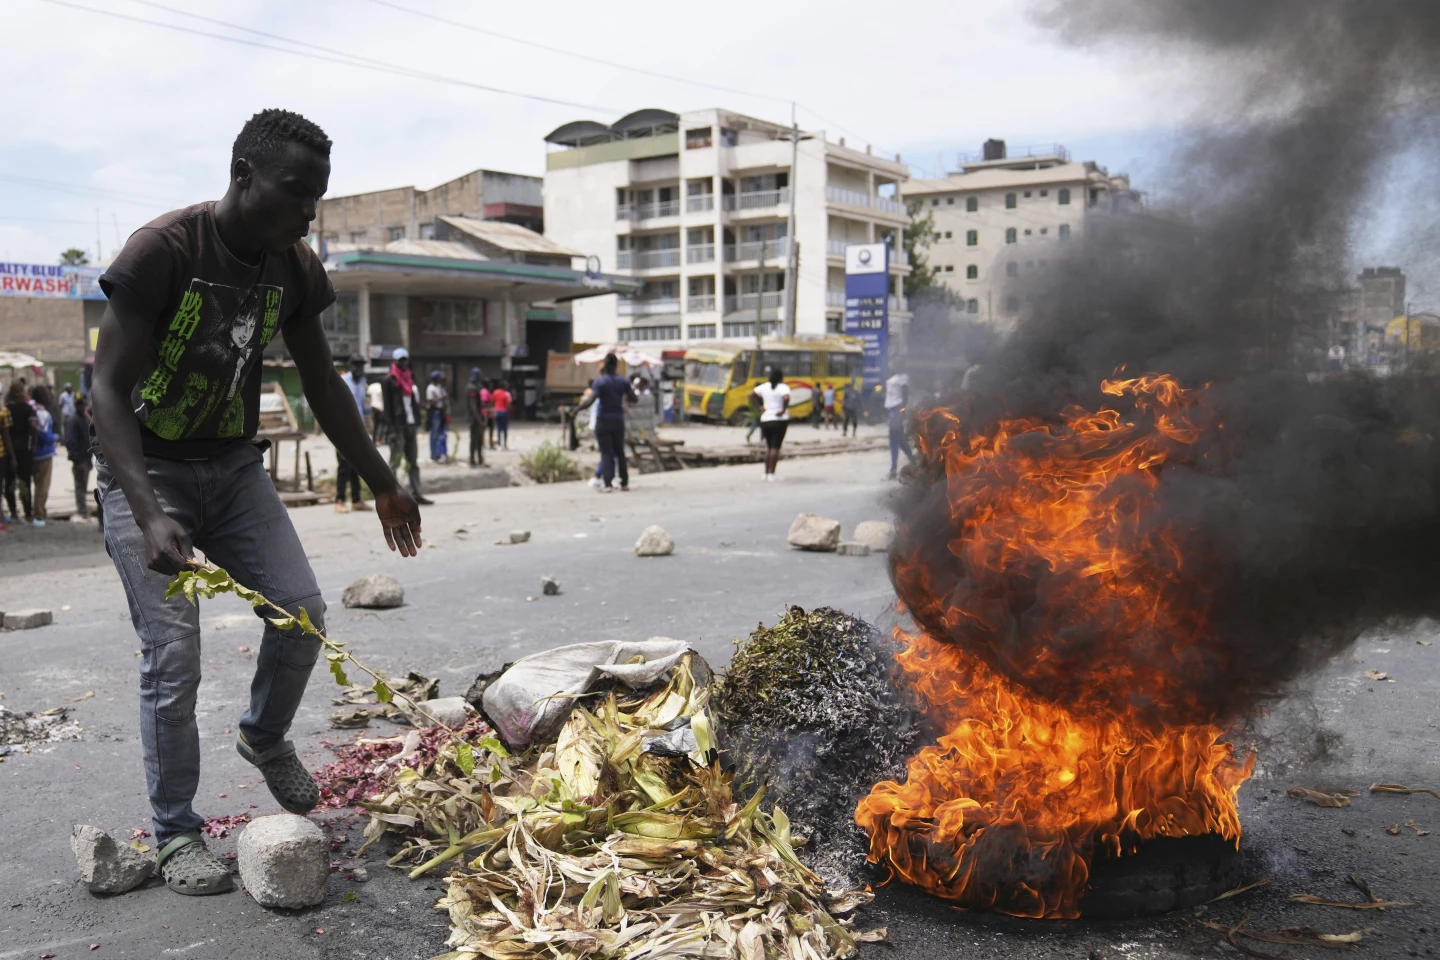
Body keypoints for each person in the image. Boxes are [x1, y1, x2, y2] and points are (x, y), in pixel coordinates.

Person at [89, 108, 423, 897]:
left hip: (233, 471)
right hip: (147, 473)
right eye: (297, 193)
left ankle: (264, 736)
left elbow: (321, 384)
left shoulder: (293, 267)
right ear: (244, 177)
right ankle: (176, 833)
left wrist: (381, 479)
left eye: (318, 197)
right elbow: (105, 389)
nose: (308, 212)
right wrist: (145, 510)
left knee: (302, 612)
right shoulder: (163, 251)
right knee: (173, 655)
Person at [576, 353, 635, 492]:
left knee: (606, 452)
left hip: (603, 420)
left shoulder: (600, 382)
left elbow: (590, 401)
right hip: (618, 419)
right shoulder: (623, 381)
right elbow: (634, 398)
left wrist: (576, 410)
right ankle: (624, 483)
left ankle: (607, 484)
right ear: (616, 365)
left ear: (605, 365)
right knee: (620, 452)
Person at [382, 347, 433, 505]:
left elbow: (412, 402)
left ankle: (416, 493)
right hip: (397, 426)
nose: (403, 363)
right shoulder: (389, 380)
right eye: (400, 360)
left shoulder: (410, 378)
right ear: (395, 361)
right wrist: (390, 429)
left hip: (410, 424)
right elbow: (387, 407)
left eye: (405, 360)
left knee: (413, 462)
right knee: (395, 461)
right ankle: (391, 496)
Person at [335, 357, 373, 513]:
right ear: (350, 366)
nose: (359, 369)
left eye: (361, 366)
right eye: (356, 365)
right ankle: (340, 500)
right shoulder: (342, 380)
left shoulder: (362, 383)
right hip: (343, 429)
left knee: (357, 466)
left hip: (359, 430)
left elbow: (364, 408)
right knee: (344, 466)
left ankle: (356, 500)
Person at [750, 366, 791, 481]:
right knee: (775, 448)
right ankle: (772, 474)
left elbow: (751, 395)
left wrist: (759, 408)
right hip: (779, 420)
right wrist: (783, 410)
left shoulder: (764, 387)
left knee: (769, 448)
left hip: (766, 419)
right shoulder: (783, 387)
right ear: (781, 377)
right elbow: (786, 398)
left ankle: (766, 473)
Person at [4, 382, 36, 523]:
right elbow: (34, 427)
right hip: (24, 450)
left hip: (8, 450)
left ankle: (13, 513)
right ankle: (28, 514)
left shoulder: (6, 409)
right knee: (25, 482)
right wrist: (33, 445)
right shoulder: (28, 408)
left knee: (9, 482)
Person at [65, 393, 93, 518]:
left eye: (83, 404)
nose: (82, 407)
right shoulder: (73, 420)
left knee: (83, 485)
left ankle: (83, 509)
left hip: (86, 459)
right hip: (79, 460)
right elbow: (70, 442)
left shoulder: (85, 419)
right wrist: (77, 460)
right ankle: (81, 510)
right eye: (79, 404)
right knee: (80, 486)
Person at [885, 369, 914, 480]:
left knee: (894, 439)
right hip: (892, 409)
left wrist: (902, 410)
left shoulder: (903, 378)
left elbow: (905, 394)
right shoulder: (893, 377)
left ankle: (893, 470)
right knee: (901, 441)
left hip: (896, 410)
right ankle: (914, 463)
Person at [425, 370, 448, 462]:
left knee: (439, 434)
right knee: (434, 434)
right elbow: (431, 402)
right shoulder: (430, 388)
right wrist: (441, 398)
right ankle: (433, 454)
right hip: (434, 412)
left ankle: (438, 453)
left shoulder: (439, 387)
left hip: (441, 411)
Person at [465, 368, 486, 468]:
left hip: (478, 416)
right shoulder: (472, 388)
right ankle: (472, 459)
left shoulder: (477, 387)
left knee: (479, 439)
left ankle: (480, 458)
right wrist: (480, 420)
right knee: (474, 439)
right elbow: (473, 406)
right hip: (474, 418)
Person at [491, 380, 512, 450]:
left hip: (497, 411)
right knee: (505, 429)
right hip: (504, 412)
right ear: (504, 386)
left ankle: (499, 443)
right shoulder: (506, 394)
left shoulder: (495, 392)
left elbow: (492, 401)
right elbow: (508, 404)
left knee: (499, 428)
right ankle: (505, 444)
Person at [366, 376, 386, 445]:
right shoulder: (380, 386)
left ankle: (374, 440)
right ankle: (380, 439)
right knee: (381, 424)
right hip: (380, 408)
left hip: (373, 407)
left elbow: (368, 396)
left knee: (374, 425)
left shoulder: (371, 386)